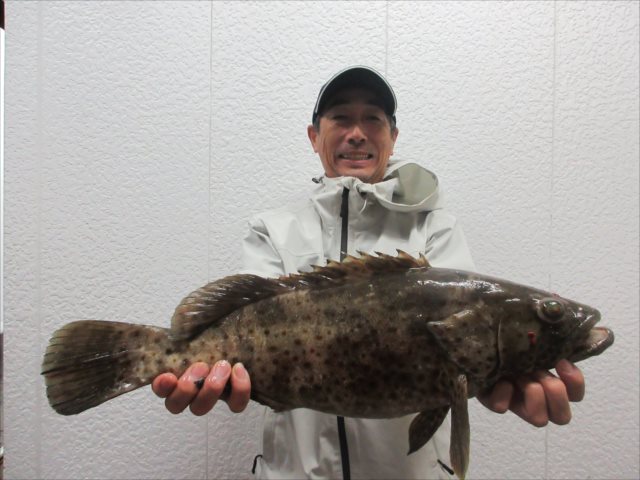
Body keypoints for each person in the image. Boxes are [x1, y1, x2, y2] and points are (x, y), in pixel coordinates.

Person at [152, 66, 586, 479]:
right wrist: (215, 374)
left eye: (373, 119)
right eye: (341, 118)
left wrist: (493, 380)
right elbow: (245, 333)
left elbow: (466, 349)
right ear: (314, 136)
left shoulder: (434, 227)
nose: (356, 133)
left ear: (393, 138)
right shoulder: (272, 228)